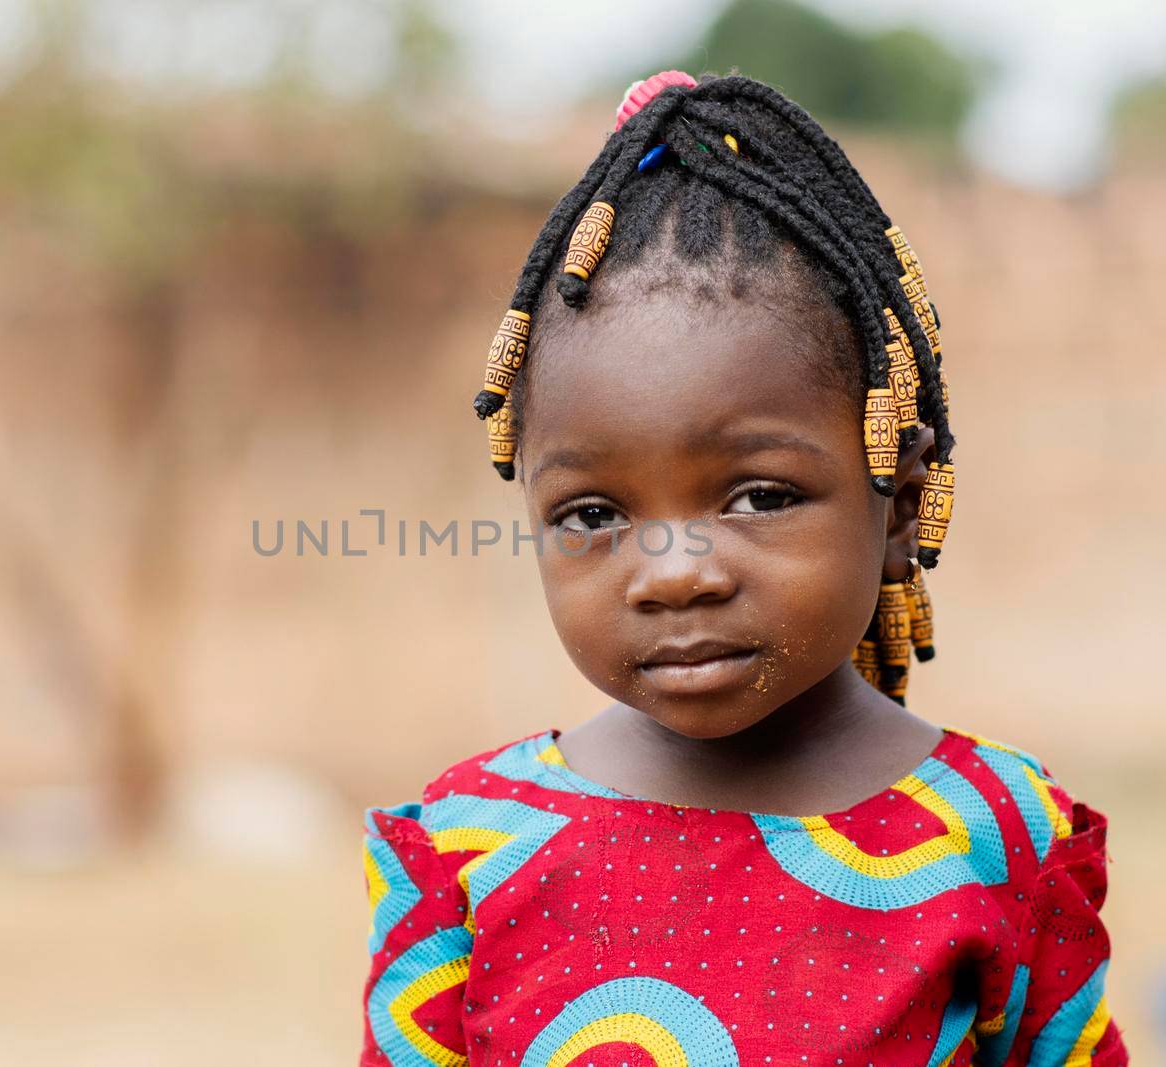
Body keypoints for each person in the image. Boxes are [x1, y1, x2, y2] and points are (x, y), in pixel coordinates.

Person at [359, 71, 1126, 1066]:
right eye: (591, 513)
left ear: (897, 503)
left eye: (757, 496)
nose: (675, 574)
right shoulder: (467, 846)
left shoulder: (1001, 833)